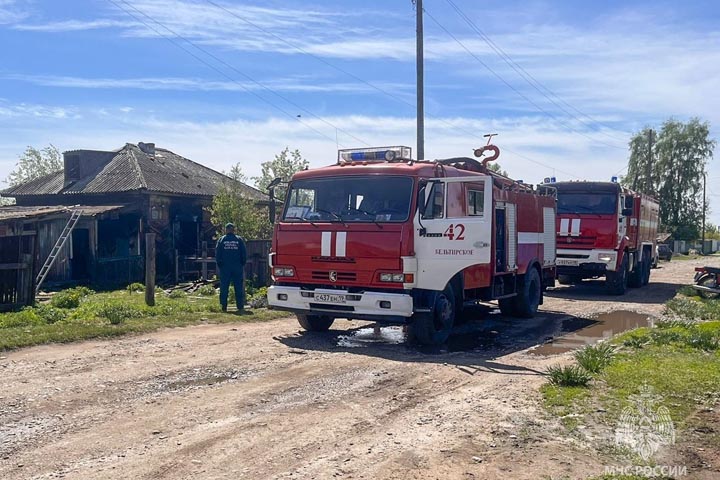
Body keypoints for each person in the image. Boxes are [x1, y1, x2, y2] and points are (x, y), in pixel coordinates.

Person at [215, 223, 247, 312]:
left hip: (225, 268)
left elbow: (217, 254)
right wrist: (242, 264)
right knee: (238, 286)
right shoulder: (239, 240)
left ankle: (223, 306)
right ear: (233, 230)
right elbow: (244, 254)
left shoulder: (221, 240)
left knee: (224, 286)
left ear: (226, 230)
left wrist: (220, 265)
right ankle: (240, 306)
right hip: (237, 267)